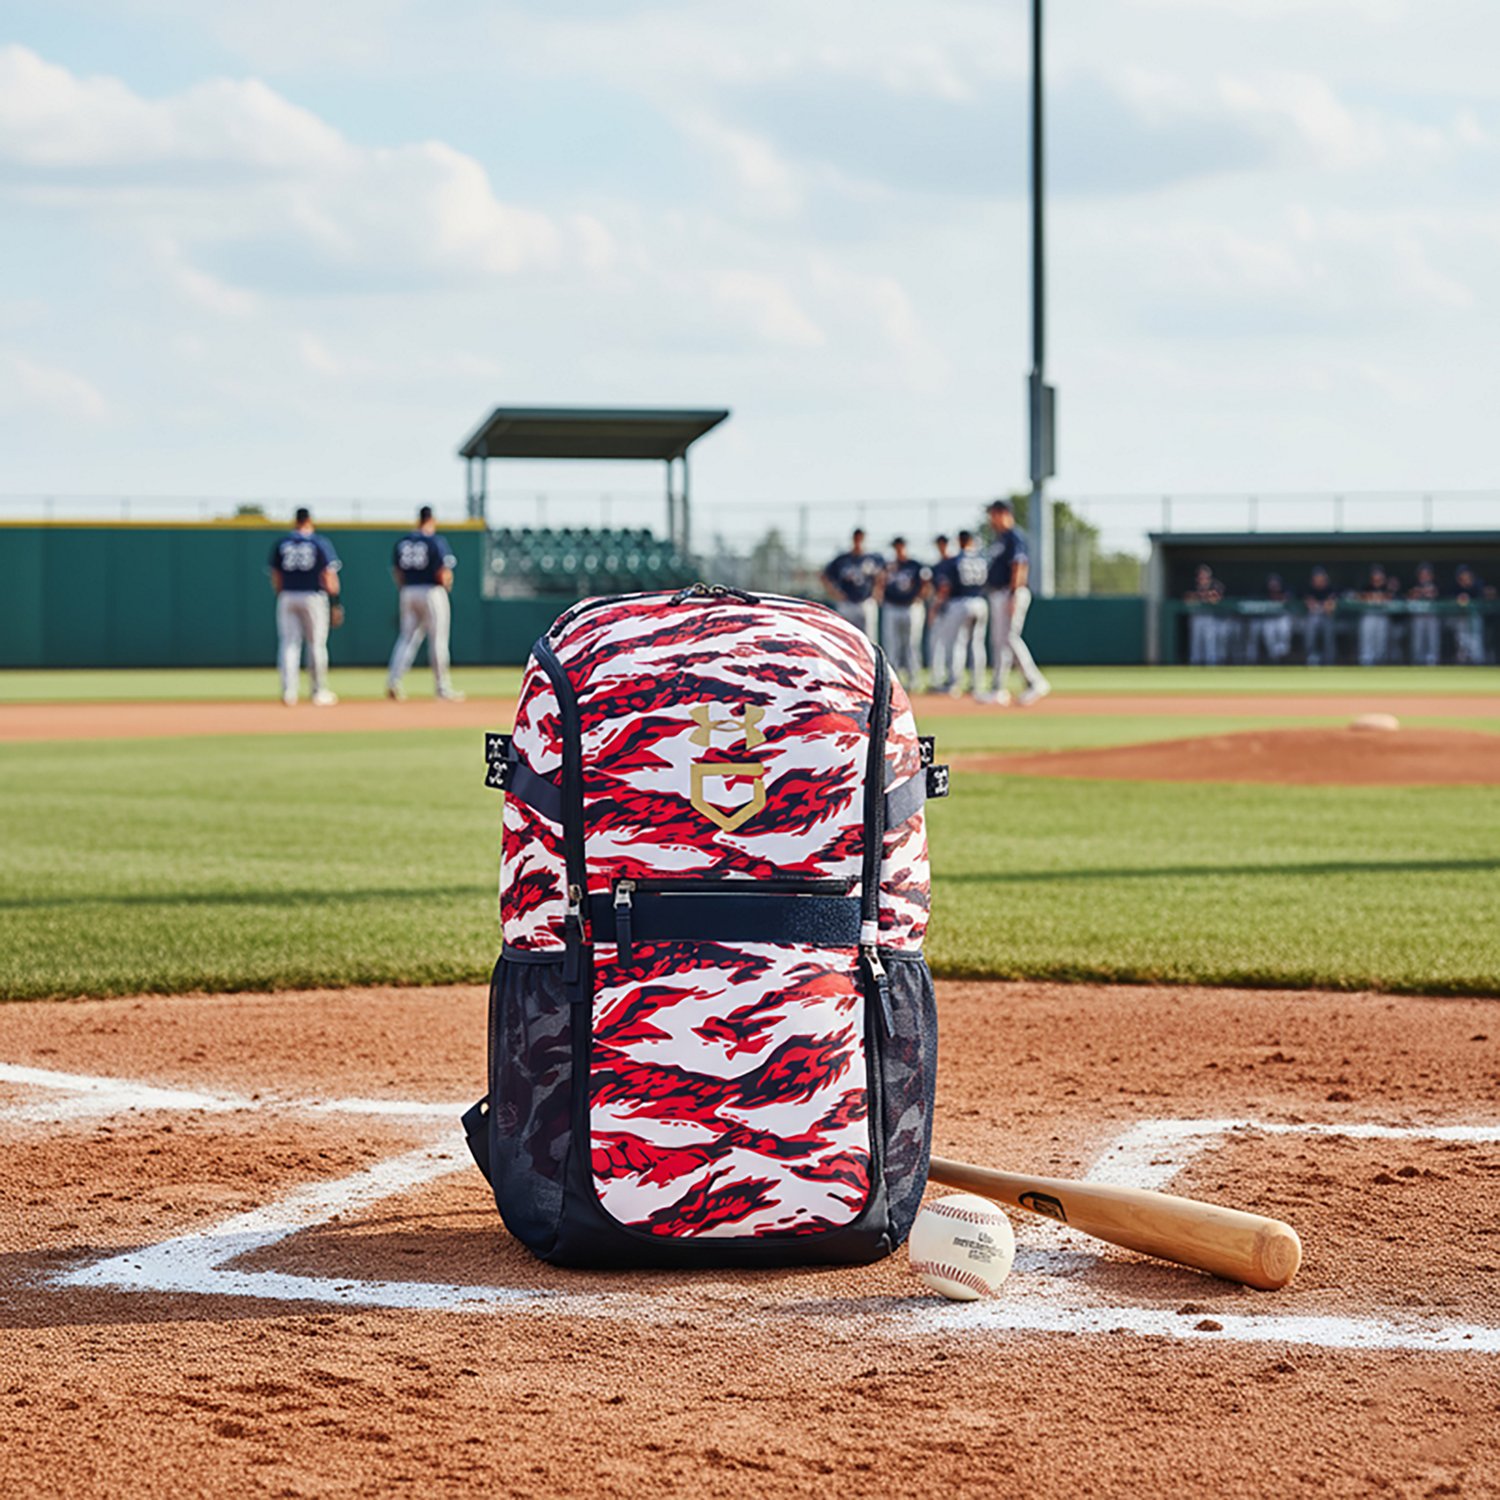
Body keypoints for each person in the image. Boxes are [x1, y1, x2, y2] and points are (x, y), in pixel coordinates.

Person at [386, 506, 464, 701]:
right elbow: (443, 572)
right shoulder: (435, 541)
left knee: (406, 638)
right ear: (432, 520)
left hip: (408, 591)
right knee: (438, 639)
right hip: (431, 591)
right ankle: (442, 687)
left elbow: (397, 572)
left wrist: (405, 588)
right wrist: (447, 585)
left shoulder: (403, 542)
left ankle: (394, 681)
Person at [268, 507, 340, 707]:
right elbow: (329, 576)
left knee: (289, 644)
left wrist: (283, 593)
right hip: (313, 596)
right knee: (316, 644)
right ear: (309, 521)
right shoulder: (319, 543)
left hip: (288, 595)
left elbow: (276, 576)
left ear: (295, 521)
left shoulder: (282, 544)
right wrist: (336, 604)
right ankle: (318, 691)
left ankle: (289, 692)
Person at [984, 499, 1049, 705]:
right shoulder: (1000, 538)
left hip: (1011, 592)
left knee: (1010, 638)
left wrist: (1013, 594)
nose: (991, 518)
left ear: (1004, 513)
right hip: (1000, 593)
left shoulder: (1014, 537)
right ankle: (998, 688)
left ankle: (1034, 681)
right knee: (1000, 642)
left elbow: (1020, 565)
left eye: (993, 514)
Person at [930, 530, 990, 697]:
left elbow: (945, 587)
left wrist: (936, 606)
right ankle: (978, 684)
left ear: (959, 541)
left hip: (959, 602)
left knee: (957, 643)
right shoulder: (982, 559)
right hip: (980, 601)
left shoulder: (955, 561)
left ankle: (954, 683)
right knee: (977, 645)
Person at [880, 537, 928, 690]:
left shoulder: (915, 565)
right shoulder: (889, 566)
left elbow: (926, 582)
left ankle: (913, 679)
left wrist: (919, 597)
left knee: (912, 644)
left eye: (900, 546)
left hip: (911, 607)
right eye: (896, 547)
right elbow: (879, 581)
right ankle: (893, 682)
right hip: (892, 607)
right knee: (892, 645)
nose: (898, 549)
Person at [822, 528, 883, 637]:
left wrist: (877, 591)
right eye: (856, 538)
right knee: (844, 636)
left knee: (869, 638)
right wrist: (833, 592)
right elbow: (825, 576)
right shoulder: (843, 559)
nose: (858, 541)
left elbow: (881, 575)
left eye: (861, 538)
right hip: (847, 602)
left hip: (865, 601)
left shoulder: (871, 558)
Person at [1184, 564, 1224, 665]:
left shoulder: (1215, 585)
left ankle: (1211, 666)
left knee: (1210, 644)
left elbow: (1216, 599)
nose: (1202, 578)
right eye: (1200, 576)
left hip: (1210, 617)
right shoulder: (1193, 585)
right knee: (1196, 645)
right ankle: (1195, 666)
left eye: (1204, 576)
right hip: (1196, 617)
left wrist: (1204, 596)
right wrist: (1202, 596)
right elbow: (1187, 598)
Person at [1252, 574, 1294, 664]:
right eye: (1272, 584)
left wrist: (1283, 598)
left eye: (1276, 584)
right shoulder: (1264, 592)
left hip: (1282, 617)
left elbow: (1289, 600)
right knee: (1268, 633)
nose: (1274, 586)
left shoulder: (1285, 590)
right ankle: (1273, 658)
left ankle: (1283, 655)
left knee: (1285, 630)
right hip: (1269, 617)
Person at [1451, 564, 1487, 664]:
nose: (1465, 577)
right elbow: (1450, 598)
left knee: (1476, 641)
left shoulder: (1477, 585)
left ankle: (1478, 663)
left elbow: (1482, 598)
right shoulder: (1456, 587)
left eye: (1466, 575)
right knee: (1461, 641)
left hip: (1475, 617)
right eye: (1462, 575)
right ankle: (1462, 663)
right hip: (1461, 618)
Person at [1356, 564, 1391, 667]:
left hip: (1382, 616)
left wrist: (1380, 597)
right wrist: (1373, 597)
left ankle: (1380, 660)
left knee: (1381, 640)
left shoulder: (1387, 587)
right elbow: (1360, 597)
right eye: (1375, 574)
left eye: (1379, 574)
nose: (1377, 577)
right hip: (1368, 615)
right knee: (1367, 638)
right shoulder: (1366, 586)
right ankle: (1366, 659)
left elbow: (1390, 598)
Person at [1407, 562, 1441, 667]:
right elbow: (1407, 601)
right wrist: (1415, 594)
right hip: (1418, 616)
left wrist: (1432, 594)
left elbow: (1442, 599)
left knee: (1433, 641)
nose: (1424, 577)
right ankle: (1417, 662)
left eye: (1427, 574)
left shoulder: (1437, 587)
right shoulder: (1413, 587)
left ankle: (1433, 662)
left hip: (1432, 616)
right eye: (1422, 574)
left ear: (1431, 576)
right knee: (1417, 643)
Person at [1303, 566, 1337, 666]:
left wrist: (1322, 606)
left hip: (1327, 617)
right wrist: (1321, 605)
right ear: (1313, 580)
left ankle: (1329, 660)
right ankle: (1312, 658)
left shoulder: (1330, 589)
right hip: (1312, 616)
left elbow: (1330, 608)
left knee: (1329, 630)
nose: (1319, 580)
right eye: (1317, 578)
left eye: (1321, 578)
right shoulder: (1308, 589)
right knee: (1311, 625)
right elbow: (1310, 606)